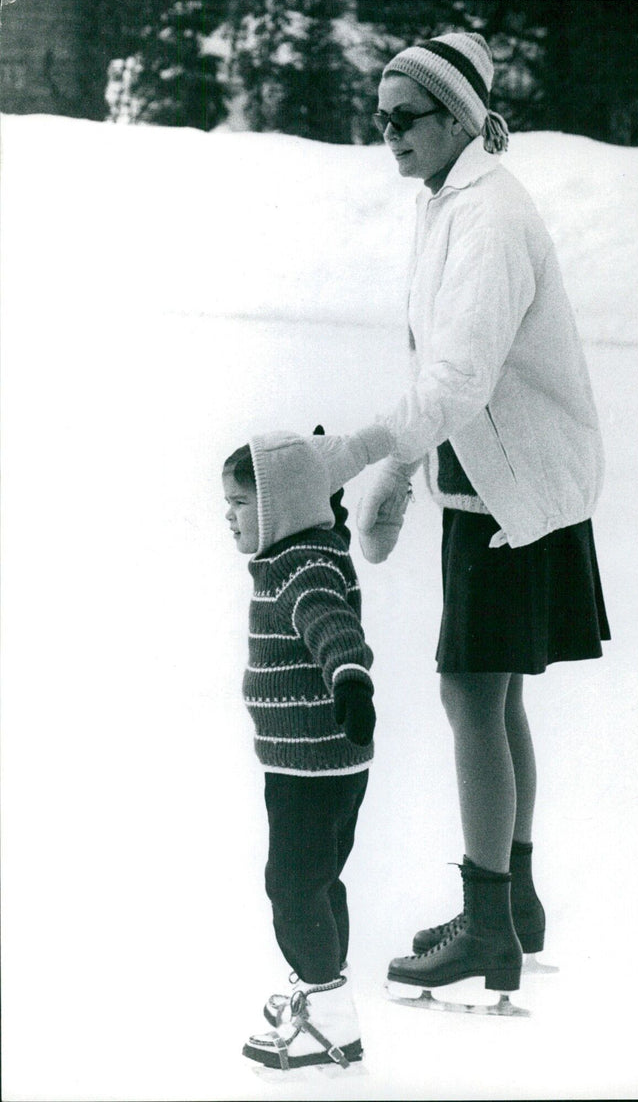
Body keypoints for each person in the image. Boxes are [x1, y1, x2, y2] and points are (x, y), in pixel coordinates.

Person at [317, 31, 610, 1002]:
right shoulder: (448, 202)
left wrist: (354, 454)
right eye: (379, 118)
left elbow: (454, 377)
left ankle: (488, 921)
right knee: (492, 694)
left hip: (508, 491)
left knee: (469, 696)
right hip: (487, 480)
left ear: (453, 117)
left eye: (403, 117)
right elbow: (439, 370)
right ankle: (512, 899)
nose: (386, 133)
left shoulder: (486, 218)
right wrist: (402, 474)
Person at [222, 428, 382, 1069]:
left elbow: (330, 622)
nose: (228, 517)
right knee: (317, 879)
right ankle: (325, 993)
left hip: (311, 761)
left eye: (240, 503)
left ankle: (330, 1020)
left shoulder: (302, 565)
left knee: (290, 885)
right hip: (315, 759)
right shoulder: (310, 547)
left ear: (280, 508)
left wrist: (349, 676)